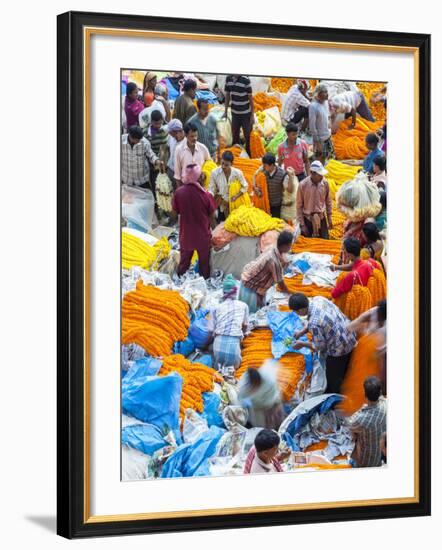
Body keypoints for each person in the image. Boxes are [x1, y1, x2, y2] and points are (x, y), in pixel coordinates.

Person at [288, 293, 357, 394]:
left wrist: (302, 344)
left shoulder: (314, 323)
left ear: (302, 309)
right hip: (349, 335)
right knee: (345, 368)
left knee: (333, 377)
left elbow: (319, 347)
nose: (296, 314)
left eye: (296, 312)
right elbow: (317, 321)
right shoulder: (318, 299)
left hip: (339, 349)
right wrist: (301, 332)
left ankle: (337, 396)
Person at [171, 163, 216, 279]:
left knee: (184, 264)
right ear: (199, 177)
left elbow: (174, 214)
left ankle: (179, 283)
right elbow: (212, 218)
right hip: (203, 238)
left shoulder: (179, 193)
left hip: (186, 236)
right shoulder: (206, 195)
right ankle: (204, 286)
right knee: (204, 266)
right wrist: (215, 233)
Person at [239, 231, 294, 314]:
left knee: (254, 310)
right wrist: (291, 294)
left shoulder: (273, 248)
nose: (290, 248)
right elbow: (280, 283)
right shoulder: (274, 261)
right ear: (284, 246)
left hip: (250, 279)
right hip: (252, 287)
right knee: (253, 314)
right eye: (290, 245)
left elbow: (283, 260)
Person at [207, 274, 249, 370]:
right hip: (234, 350)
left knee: (216, 365)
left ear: (223, 292)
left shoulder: (215, 308)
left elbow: (210, 331)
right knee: (234, 368)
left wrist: (206, 346)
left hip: (218, 348)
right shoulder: (244, 306)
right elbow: (245, 326)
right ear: (235, 291)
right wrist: (242, 336)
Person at [347, 376, 387, 468]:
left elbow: (350, 424)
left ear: (365, 395)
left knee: (354, 435)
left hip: (366, 461)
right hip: (379, 454)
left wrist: (362, 408)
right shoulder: (385, 404)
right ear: (380, 392)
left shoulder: (361, 419)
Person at [347, 300, 387, 393]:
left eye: (381, 316)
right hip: (365, 351)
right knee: (358, 376)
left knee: (381, 377)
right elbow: (356, 322)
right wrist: (354, 327)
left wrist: (378, 354)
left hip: (381, 354)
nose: (378, 317)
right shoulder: (374, 312)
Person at [238, 363, 285, 430]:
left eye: (257, 384)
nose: (256, 387)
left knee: (276, 422)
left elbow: (272, 397)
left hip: (272, 405)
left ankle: (278, 430)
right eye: (254, 385)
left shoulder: (268, 380)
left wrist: (263, 405)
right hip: (257, 411)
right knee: (261, 425)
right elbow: (241, 398)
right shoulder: (244, 385)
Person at [296, 160, 333, 238]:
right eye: (320, 175)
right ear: (312, 173)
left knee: (324, 243)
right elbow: (299, 206)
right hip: (308, 220)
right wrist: (302, 225)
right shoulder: (302, 185)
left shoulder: (325, 183)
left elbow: (328, 201)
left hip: (322, 218)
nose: (322, 176)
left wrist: (329, 217)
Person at [208, 150, 248, 220]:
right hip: (222, 204)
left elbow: (245, 186)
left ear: (231, 164)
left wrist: (236, 196)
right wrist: (210, 196)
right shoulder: (214, 173)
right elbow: (211, 188)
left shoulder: (237, 173)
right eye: (222, 163)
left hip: (236, 204)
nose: (223, 166)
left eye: (226, 165)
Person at [253, 153, 295, 219]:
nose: (263, 167)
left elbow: (290, 190)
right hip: (265, 204)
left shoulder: (282, 174)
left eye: (265, 165)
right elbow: (254, 177)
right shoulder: (262, 172)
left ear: (272, 165)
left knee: (275, 221)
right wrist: (255, 188)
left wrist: (290, 177)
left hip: (276, 205)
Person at [224, 74, 254, 157]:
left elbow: (251, 99)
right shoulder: (228, 78)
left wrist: (252, 115)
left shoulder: (246, 80)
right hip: (235, 113)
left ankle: (249, 154)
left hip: (246, 114)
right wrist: (226, 111)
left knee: (247, 136)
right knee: (235, 135)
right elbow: (227, 95)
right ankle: (236, 155)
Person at [174, 122, 211, 186]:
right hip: (185, 186)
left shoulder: (203, 148)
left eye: (196, 136)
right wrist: (179, 191)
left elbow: (210, 165)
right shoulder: (179, 150)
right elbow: (177, 174)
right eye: (192, 136)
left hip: (201, 185)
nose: (195, 139)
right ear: (186, 135)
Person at [309, 84, 333, 164]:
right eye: (324, 92)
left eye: (327, 92)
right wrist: (317, 142)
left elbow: (327, 117)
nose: (327, 94)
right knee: (319, 160)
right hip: (320, 139)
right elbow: (312, 126)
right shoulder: (313, 106)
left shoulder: (325, 102)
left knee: (326, 158)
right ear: (318, 93)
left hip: (327, 136)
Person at [166, 119, 185, 186]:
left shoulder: (186, 143)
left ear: (179, 131)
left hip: (180, 175)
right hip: (170, 170)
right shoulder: (171, 138)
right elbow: (168, 148)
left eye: (173, 134)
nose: (172, 136)